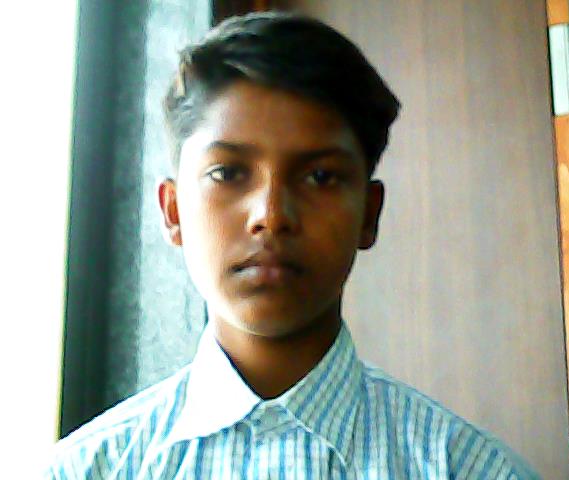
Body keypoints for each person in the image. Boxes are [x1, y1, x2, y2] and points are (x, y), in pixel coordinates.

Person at [45, 11, 541, 479]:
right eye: (228, 173)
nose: (271, 214)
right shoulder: (86, 470)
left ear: (369, 215)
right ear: (173, 212)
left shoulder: (471, 470)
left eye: (320, 177)